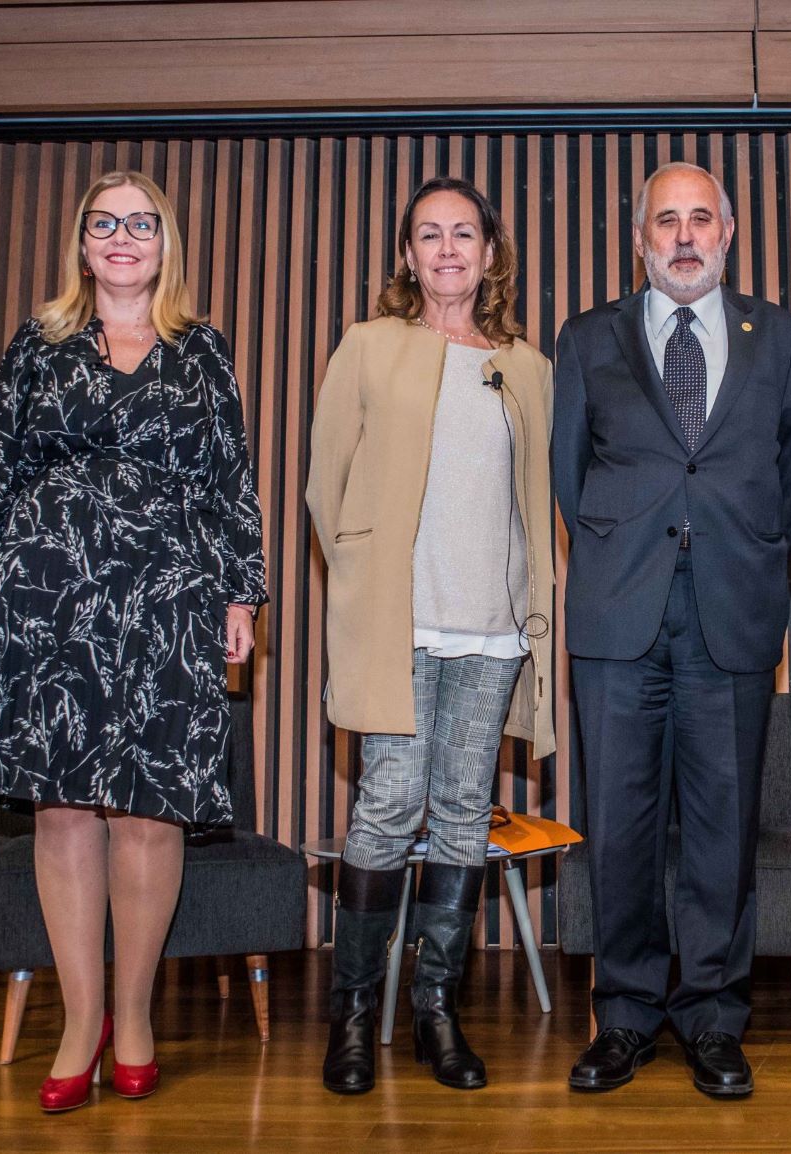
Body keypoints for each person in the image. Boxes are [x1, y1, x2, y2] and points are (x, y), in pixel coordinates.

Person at [0, 171, 266, 1113]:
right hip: (49, 597)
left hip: (166, 599)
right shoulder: (39, 345)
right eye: (104, 223)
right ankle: (79, 1022)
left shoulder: (202, 350)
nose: (122, 237)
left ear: (166, 243)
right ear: (82, 244)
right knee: (63, 813)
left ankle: (135, 1012)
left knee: (149, 812)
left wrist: (240, 594)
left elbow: (229, 480)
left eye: (141, 223)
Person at [552, 161, 791, 1098]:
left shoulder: (782, 336)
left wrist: (745, 562)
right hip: (619, 615)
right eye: (665, 221)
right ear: (640, 239)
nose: (684, 235)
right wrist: (627, 554)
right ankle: (623, 1016)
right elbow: (568, 474)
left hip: (731, 615)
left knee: (721, 829)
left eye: (701, 217)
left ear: (730, 230)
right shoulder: (587, 339)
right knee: (618, 830)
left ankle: (711, 1016)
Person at [305, 177, 555, 1095]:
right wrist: (372, 581)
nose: (447, 250)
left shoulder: (527, 365)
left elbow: (533, 499)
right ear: (407, 254)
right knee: (387, 805)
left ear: (491, 253)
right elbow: (323, 491)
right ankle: (355, 1019)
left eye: (464, 235)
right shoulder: (368, 348)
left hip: (492, 629)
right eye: (428, 235)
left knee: (460, 813)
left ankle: (436, 1011)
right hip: (398, 623)